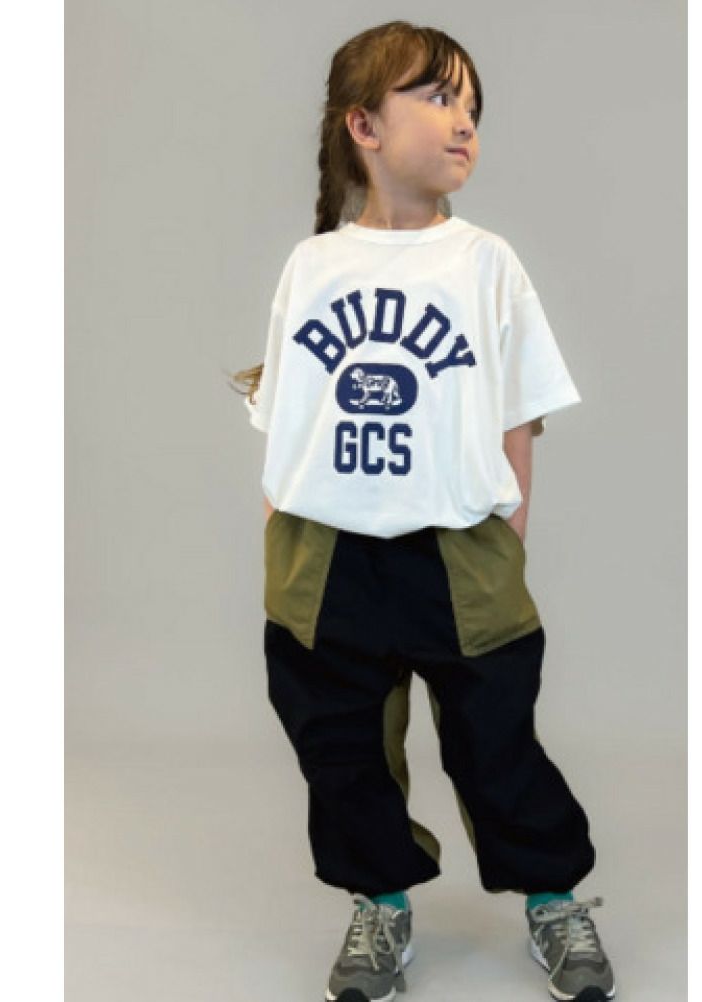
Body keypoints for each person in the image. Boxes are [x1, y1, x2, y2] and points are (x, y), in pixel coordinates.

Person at [230, 21, 617, 1002]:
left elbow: (519, 415)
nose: (465, 122)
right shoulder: (312, 267)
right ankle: (382, 903)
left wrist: (508, 537)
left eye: (473, 106)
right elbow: (288, 420)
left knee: (497, 740)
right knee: (343, 748)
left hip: (458, 551)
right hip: (326, 557)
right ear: (363, 125)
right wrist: (279, 538)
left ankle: (553, 898)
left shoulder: (487, 262)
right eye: (439, 98)